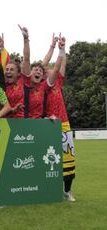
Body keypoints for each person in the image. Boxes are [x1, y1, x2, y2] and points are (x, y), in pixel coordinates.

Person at [44, 35, 77, 201]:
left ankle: (67, 191)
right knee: (48, 160)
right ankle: (45, 190)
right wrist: (55, 48)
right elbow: (55, 67)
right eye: (47, 69)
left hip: (63, 124)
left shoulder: (58, 83)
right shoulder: (43, 86)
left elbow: (62, 65)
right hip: (48, 126)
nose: (50, 70)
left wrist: (63, 47)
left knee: (69, 160)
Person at [4, 25, 31, 118]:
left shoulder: (23, 81)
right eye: (7, 69)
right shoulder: (2, 84)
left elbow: (26, 59)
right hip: (3, 123)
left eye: (11, 70)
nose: (8, 72)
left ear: (18, 73)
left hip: (21, 123)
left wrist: (26, 39)